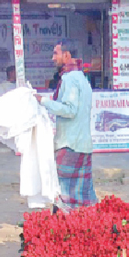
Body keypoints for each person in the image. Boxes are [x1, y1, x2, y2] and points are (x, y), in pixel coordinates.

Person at [35, 39, 96, 210]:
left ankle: (64, 231)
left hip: (70, 145)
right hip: (82, 144)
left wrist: (42, 101)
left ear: (67, 55)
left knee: (64, 195)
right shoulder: (81, 78)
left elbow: (70, 110)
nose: (52, 58)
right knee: (83, 196)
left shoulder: (69, 79)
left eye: (56, 53)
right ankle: (92, 229)